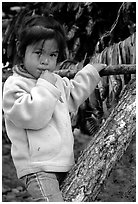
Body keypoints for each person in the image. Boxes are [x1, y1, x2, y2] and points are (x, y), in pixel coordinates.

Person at [2, 14, 106, 202]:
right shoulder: (15, 85)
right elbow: (34, 116)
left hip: (63, 164)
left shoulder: (54, 80)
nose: (45, 61)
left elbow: (73, 95)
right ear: (22, 51)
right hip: (37, 168)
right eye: (38, 53)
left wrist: (90, 73)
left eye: (52, 55)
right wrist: (45, 86)